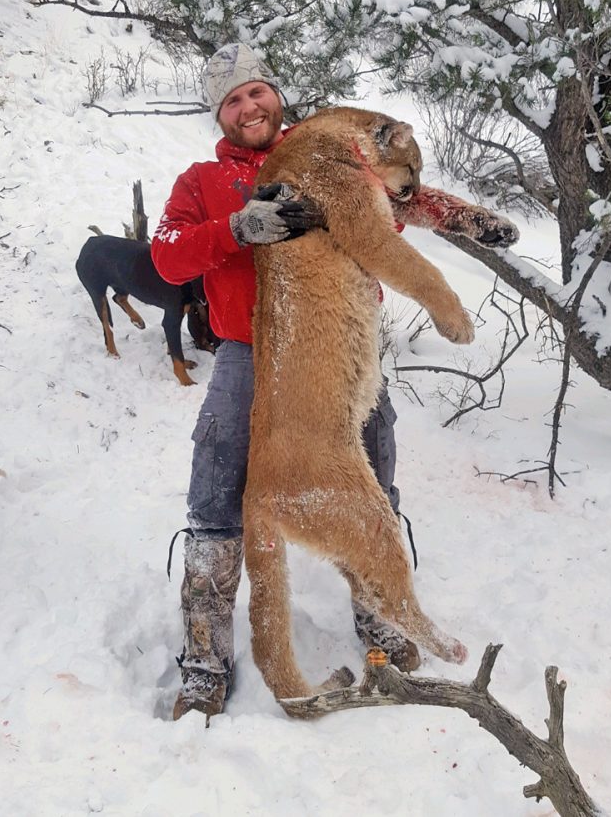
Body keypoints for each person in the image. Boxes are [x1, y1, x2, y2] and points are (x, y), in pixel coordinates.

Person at [152, 43, 420, 721]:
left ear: (277, 96)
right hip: (249, 352)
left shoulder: (330, 153)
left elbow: (401, 202)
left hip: (340, 344)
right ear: (220, 114)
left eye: (257, 92)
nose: (249, 106)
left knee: (372, 477)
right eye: (233, 99)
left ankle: (384, 622)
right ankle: (206, 659)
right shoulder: (199, 182)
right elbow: (166, 258)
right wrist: (238, 227)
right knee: (215, 492)